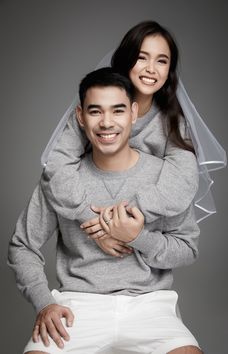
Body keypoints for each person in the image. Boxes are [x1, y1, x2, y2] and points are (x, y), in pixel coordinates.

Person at [8, 68, 202, 354]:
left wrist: (138, 237)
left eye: (118, 111)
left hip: (149, 305)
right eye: (95, 111)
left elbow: (187, 248)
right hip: (77, 305)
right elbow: (22, 246)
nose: (107, 123)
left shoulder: (166, 178)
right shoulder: (62, 180)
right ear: (80, 117)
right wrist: (45, 302)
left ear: (134, 114)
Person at [39, 21, 226, 258]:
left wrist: (123, 222)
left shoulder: (174, 122)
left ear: (169, 70)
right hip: (85, 228)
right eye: (142, 57)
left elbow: (182, 182)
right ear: (126, 59)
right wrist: (99, 227)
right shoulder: (94, 109)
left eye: (162, 61)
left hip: (142, 235)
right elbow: (56, 169)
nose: (151, 68)